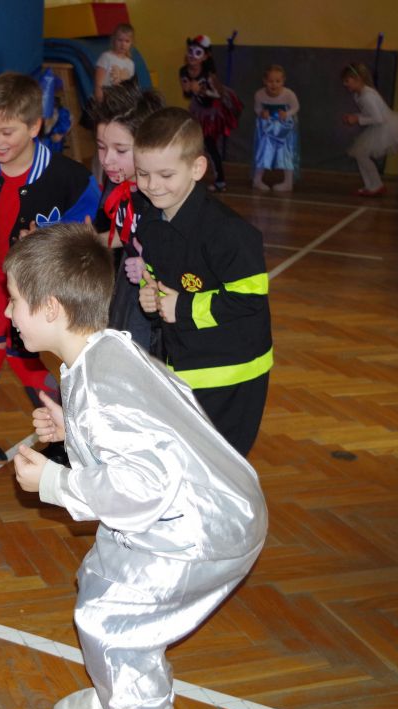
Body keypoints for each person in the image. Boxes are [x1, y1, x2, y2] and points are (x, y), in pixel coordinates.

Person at [4, 225, 267, 709]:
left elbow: (142, 484)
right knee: (101, 583)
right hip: (211, 503)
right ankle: (121, 694)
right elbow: (151, 428)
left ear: (51, 308)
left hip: (200, 531)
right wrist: (73, 430)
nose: (7, 313)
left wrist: (54, 482)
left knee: (113, 623)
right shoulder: (107, 349)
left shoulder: (100, 388)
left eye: (14, 300)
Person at [0, 71, 99, 463]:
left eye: (7, 131)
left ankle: (64, 431)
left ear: (34, 126)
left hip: (35, 288)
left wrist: (49, 241)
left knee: (22, 355)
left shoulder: (68, 177)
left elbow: (86, 222)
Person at [133, 107, 272, 457]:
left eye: (165, 174)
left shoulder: (229, 232)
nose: (152, 185)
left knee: (222, 461)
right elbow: (157, 274)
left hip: (232, 371)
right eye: (143, 174)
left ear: (197, 168)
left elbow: (250, 298)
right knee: (188, 457)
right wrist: (150, 294)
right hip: (184, 361)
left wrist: (181, 307)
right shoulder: (150, 220)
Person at [89, 83, 163, 354]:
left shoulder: (159, 196)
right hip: (127, 283)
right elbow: (128, 234)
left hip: (153, 293)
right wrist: (90, 240)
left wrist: (148, 262)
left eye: (120, 150)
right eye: (101, 147)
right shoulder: (118, 182)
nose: (107, 160)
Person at [341, 62, 398, 197]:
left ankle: (375, 186)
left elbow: (379, 118)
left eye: (347, 81)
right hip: (380, 126)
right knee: (360, 154)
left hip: (385, 127)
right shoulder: (359, 95)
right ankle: (373, 186)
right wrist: (355, 116)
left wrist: (357, 119)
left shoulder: (367, 96)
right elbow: (370, 114)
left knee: (361, 154)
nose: (345, 84)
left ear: (357, 79)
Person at [179, 36, 242, 192]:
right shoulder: (184, 71)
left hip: (212, 113)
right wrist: (189, 90)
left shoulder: (208, 75)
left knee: (210, 144)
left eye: (198, 52)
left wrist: (201, 90)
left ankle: (220, 180)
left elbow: (218, 95)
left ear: (205, 56)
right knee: (192, 142)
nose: (193, 56)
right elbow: (187, 94)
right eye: (190, 51)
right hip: (198, 110)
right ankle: (190, 174)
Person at [252, 65, 300, 193]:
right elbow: (257, 108)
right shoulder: (260, 94)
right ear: (264, 81)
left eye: (278, 81)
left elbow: (296, 107)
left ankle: (288, 182)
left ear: (283, 81)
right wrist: (261, 113)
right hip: (267, 128)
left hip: (284, 128)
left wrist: (287, 114)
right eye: (270, 81)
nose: (274, 84)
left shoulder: (288, 94)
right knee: (264, 151)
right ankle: (257, 180)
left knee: (286, 153)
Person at [93, 23, 137, 97]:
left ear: (131, 43)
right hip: (107, 99)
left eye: (127, 41)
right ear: (114, 39)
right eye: (120, 40)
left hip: (122, 100)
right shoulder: (106, 57)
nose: (123, 44)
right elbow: (98, 85)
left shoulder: (131, 63)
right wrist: (100, 101)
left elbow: (129, 88)